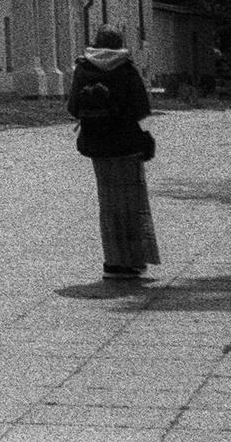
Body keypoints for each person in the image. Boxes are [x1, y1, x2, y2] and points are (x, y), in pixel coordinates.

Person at [72, 26, 160, 279]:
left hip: (97, 145)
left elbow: (73, 107)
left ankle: (113, 261)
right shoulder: (126, 69)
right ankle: (132, 260)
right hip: (126, 145)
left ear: (96, 43)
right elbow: (141, 109)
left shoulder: (83, 68)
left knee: (108, 202)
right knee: (131, 202)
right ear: (120, 43)